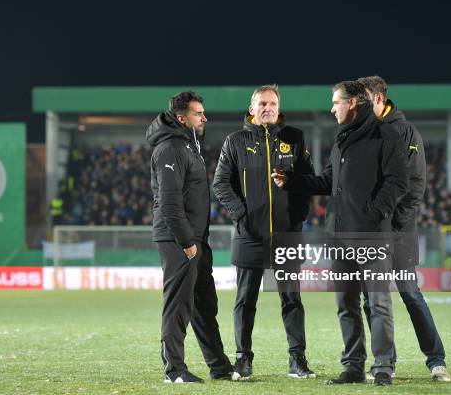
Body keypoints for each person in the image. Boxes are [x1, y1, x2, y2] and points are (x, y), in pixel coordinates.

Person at [272, 80, 408, 386]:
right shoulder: (341, 138)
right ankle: (353, 367)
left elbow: (398, 181)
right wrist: (292, 180)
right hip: (339, 237)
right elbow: (326, 182)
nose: (332, 108)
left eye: (336, 102)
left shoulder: (387, 133)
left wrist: (372, 213)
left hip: (372, 234)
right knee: (345, 304)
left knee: (378, 303)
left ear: (354, 103)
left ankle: (383, 366)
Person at [213, 84, 315, 380]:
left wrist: (300, 215)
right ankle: (243, 360)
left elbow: (308, 180)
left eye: (272, 103)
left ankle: (298, 360)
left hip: (288, 234)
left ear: (278, 108)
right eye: (262, 104)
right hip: (249, 235)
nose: (268, 108)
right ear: (252, 109)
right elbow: (221, 184)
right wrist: (241, 213)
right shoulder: (235, 141)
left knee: (292, 300)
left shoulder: (295, 139)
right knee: (245, 300)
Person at [358, 75, 451, 382]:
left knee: (410, 294)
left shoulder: (405, 131)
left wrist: (395, 224)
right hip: (369, 232)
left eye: (365, 98)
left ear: (380, 99)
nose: (359, 104)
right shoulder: (361, 131)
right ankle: (387, 362)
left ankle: (436, 359)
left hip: (397, 232)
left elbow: (414, 186)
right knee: (372, 299)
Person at [146, 91, 236, 383]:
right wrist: (187, 242)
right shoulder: (170, 148)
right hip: (179, 240)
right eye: (198, 113)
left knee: (203, 303)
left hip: (196, 239)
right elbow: (170, 203)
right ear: (182, 117)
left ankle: (219, 366)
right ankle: (174, 370)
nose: (204, 117)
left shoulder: (188, 145)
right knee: (179, 304)